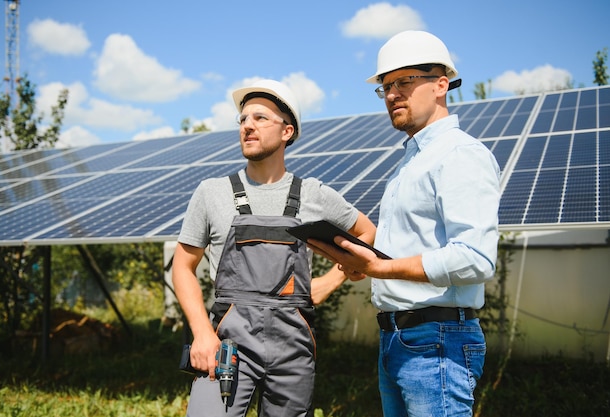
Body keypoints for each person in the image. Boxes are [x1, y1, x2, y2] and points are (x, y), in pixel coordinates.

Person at [307, 31, 501, 416]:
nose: (393, 94)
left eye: (405, 81)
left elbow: (476, 258)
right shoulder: (410, 163)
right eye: (386, 86)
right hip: (398, 338)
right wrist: (361, 266)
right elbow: (403, 253)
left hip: (437, 342)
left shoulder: (459, 155)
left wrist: (382, 267)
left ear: (441, 84)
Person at [172, 79, 376, 417]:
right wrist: (202, 333)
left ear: (287, 132)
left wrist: (330, 281)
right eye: (243, 119)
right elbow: (182, 266)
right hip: (227, 343)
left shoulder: (314, 194)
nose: (248, 125)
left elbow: (367, 233)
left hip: (293, 345)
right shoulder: (211, 192)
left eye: (261, 118)